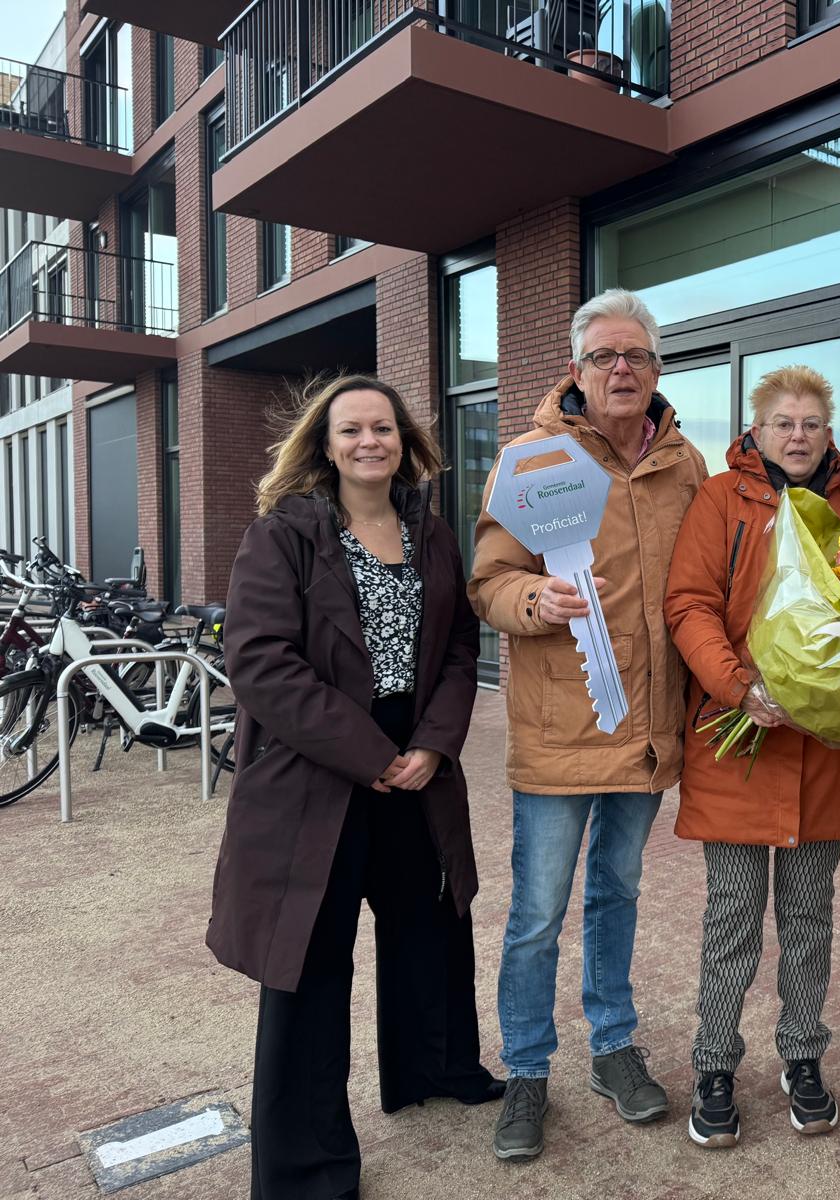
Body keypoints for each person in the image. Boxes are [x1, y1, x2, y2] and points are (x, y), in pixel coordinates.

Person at [207, 374, 501, 1200]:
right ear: (326, 446)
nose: (370, 441)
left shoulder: (430, 533)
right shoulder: (283, 534)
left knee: (431, 923)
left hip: (419, 763)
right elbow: (260, 662)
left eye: (384, 428)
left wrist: (433, 743)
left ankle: (434, 1067)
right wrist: (370, 753)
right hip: (320, 768)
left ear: (406, 443)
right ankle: (307, 1167)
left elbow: (458, 648)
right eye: (352, 430)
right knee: (310, 962)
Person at [470, 288, 708, 1162]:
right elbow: (488, 582)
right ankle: (527, 1069)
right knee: (537, 912)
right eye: (604, 356)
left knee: (619, 894)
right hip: (560, 730)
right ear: (576, 369)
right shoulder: (533, 460)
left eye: (636, 356)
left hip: (646, 725)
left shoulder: (685, 463)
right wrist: (538, 597)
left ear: (656, 368)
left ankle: (613, 1047)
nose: (621, 369)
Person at [664, 365, 840, 1150]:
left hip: (820, 751)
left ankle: (802, 1055)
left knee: (810, 919)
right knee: (732, 919)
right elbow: (689, 604)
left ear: (829, 434)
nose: (797, 435)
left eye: (810, 424)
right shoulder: (721, 500)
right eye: (783, 422)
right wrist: (738, 687)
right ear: (756, 430)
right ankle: (715, 1064)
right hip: (736, 744)